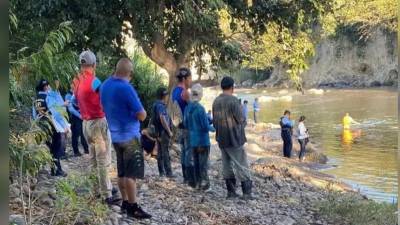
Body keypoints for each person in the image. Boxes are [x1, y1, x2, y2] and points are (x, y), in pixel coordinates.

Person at [100, 58, 152, 219]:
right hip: (129, 136)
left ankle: (124, 202)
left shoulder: (105, 85)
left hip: (114, 136)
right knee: (131, 175)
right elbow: (142, 115)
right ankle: (133, 206)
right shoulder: (126, 88)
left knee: (121, 172)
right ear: (130, 73)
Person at [74, 50, 116, 206]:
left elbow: (75, 101)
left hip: (86, 124)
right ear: (94, 64)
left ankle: (96, 190)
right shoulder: (95, 81)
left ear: (81, 64)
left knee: (93, 159)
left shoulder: (77, 81)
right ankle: (107, 194)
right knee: (103, 160)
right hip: (98, 122)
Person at [212, 76, 254, 200]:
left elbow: (214, 122)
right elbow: (241, 119)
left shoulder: (216, 101)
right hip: (234, 138)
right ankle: (246, 193)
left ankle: (231, 192)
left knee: (226, 165)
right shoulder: (233, 101)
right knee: (241, 164)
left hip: (222, 138)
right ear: (232, 87)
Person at [33, 79, 69, 177]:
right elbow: (56, 112)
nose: (49, 87)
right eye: (48, 85)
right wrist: (64, 126)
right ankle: (57, 171)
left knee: (51, 149)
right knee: (57, 148)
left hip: (42, 127)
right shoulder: (48, 97)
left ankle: (55, 170)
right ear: (45, 87)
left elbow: (34, 115)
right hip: (52, 125)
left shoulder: (36, 99)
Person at [184, 84, 215, 192]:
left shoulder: (187, 108)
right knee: (203, 164)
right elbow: (205, 126)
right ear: (200, 94)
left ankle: (197, 184)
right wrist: (215, 128)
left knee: (196, 163)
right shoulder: (200, 109)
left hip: (193, 140)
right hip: (203, 140)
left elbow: (185, 124)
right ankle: (205, 185)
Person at [171, 68, 192, 185]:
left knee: (184, 151)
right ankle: (189, 178)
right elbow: (193, 108)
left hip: (179, 125)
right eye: (190, 78)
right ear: (184, 79)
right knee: (189, 152)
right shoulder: (185, 93)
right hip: (187, 127)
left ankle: (185, 177)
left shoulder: (174, 91)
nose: (190, 81)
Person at [152, 87, 174, 178]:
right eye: (166, 95)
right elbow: (162, 118)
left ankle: (161, 172)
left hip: (158, 132)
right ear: (164, 96)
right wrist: (169, 131)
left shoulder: (155, 104)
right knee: (165, 152)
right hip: (163, 132)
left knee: (160, 152)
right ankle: (169, 173)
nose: (167, 97)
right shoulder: (161, 105)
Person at [47, 79, 69, 158]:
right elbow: (55, 109)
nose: (57, 84)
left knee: (64, 137)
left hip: (62, 117)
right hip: (57, 120)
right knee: (61, 137)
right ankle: (59, 154)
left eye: (58, 82)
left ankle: (62, 153)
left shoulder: (57, 92)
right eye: (56, 82)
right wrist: (64, 104)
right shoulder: (51, 94)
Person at [65, 83, 88, 156]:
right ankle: (76, 151)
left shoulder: (79, 93)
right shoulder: (68, 95)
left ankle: (86, 149)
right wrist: (80, 115)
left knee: (83, 133)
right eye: (74, 84)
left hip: (81, 116)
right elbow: (70, 109)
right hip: (74, 118)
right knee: (75, 135)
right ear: (71, 85)